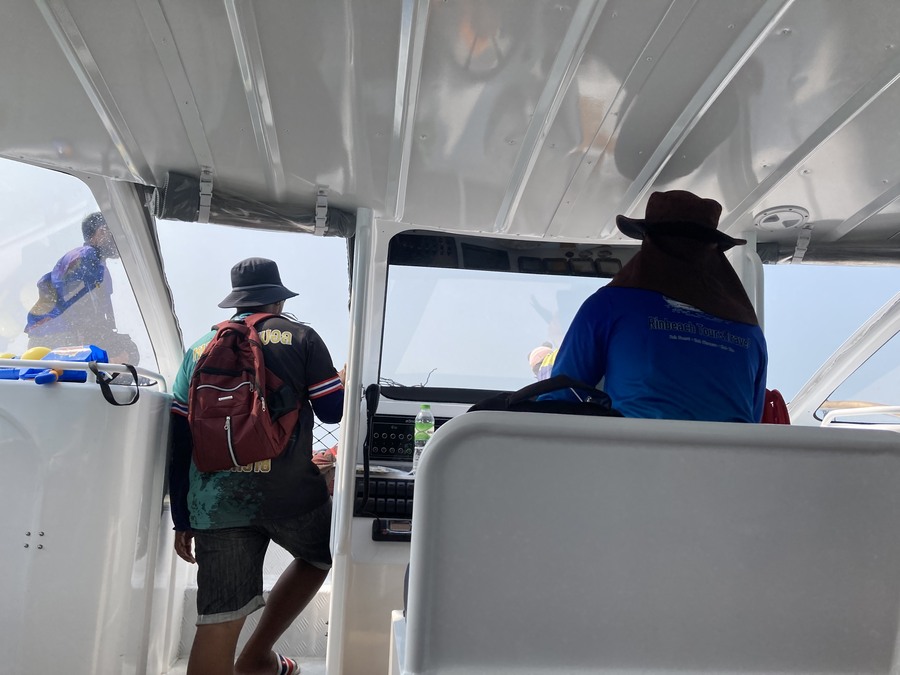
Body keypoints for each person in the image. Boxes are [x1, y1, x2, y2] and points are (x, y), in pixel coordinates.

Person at [168, 257, 345, 675]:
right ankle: (256, 659)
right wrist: (338, 378)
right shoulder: (302, 337)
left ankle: (248, 657)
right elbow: (333, 412)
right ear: (279, 301)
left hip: (215, 504)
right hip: (290, 495)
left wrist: (182, 517)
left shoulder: (198, 348)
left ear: (236, 304)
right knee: (320, 555)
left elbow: (180, 439)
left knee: (218, 619)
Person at [542, 190, 767, 422]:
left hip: (638, 454)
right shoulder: (750, 332)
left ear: (650, 245)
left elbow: (559, 399)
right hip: (733, 457)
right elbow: (753, 420)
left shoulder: (611, 304)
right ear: (713, 253)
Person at [24, 211, 138, 363]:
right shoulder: (84, 255)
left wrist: (110, 339)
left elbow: (96, 312)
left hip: (69, 335)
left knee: (127, 349)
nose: (120, 239)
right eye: (115, 233)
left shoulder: (101, 267)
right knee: (119, 353)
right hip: (52, 338)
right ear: (102, 231)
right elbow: (72, 299)